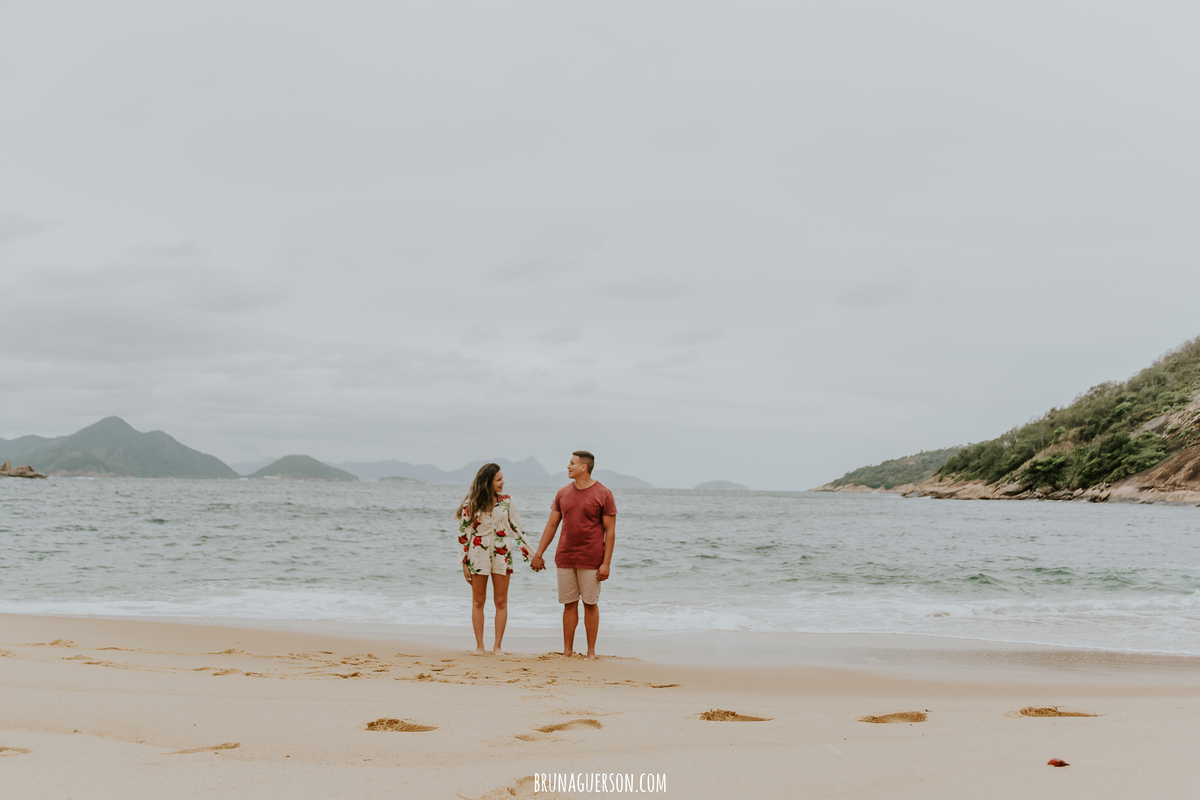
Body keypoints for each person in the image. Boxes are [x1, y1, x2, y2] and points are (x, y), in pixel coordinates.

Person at [530, 451, 616, 660]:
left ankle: (591, 652)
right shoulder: (562, 493)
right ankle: (567, 651)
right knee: (568, 604)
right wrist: (539, 553)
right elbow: (552, 524)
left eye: (571, 463)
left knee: (590, 604)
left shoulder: (603, 493)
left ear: (584, 467)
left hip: (591, 559)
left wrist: (606, 563)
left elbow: (610, 531)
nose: (568, 467)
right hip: (565, 557)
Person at [455, 463, 531, 655]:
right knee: (478, 602)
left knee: (501, 602)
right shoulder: (470, 504)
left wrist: (531, 555)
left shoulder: (507, 501)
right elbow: (464, 534)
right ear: (487, 482)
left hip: (502, 552)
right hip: (477, 554)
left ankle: (497, 647)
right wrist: (464, 562)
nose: (503, 483)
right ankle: (480, 647)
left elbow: (517, 529)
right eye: (499, 479)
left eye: (502, 479)